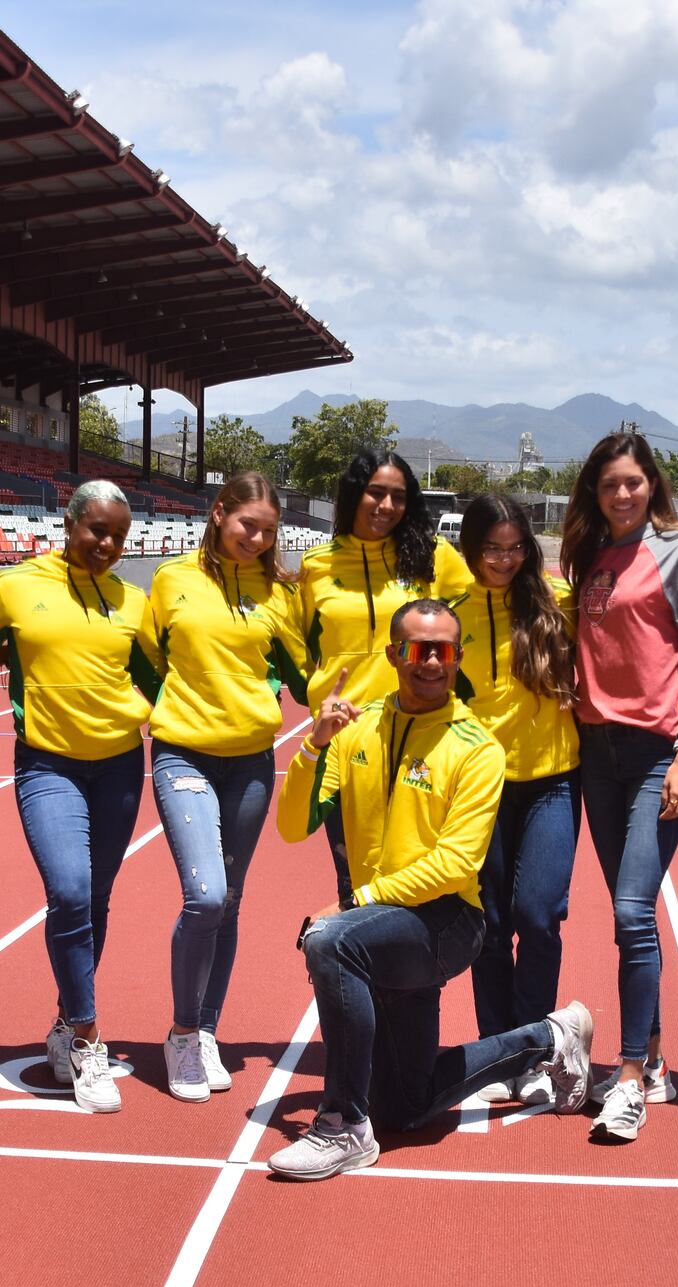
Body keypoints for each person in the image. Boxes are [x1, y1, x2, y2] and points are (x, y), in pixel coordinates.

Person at [266, 599, 594, 1181]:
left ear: (459, 656)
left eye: (444, 650)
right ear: (394, 654)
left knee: (329, 943)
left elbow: (452, 865)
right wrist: (313, 746)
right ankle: (549, 1037)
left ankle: (341, 1124)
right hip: (380, 928)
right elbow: (293, 827)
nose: (431, 662)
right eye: (418, 650)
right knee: (406, 1106)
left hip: (446, 923)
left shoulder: (476, 746)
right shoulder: (355, 728)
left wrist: (352, 906)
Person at [0, 478, 159, 1114]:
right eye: (97, 530)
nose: (107, 544)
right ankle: (89, 1038)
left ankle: (65, 1021)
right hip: (46, 764)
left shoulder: (132, 601)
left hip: (117, 765)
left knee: (98, 898)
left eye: (118, 535)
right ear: (69, 524)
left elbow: (167, 672)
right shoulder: (13, 586)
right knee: (69, 891)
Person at [560, 430, 678, 1142]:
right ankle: (653, 1058)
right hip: (596, 752)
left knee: (630, 911)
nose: (623, 494)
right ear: (595, 491)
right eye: (610, 484)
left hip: (656, 753)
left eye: (634, 482)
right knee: (631, 914)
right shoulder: (591, 559)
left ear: (652, 485)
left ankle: (626, 1078)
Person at [135, 470, 306, 1101]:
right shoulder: (173, 580)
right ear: (217, 514)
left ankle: (206, 1030)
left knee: (230, 898)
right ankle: (182, 1031)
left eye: (267, 531)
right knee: (205, 894)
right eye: (246, 525)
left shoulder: (278, 593)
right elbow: (149, 659)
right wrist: (178, 713)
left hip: (253, 762)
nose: (257, 539)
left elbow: (304, 670)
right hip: (183, 756)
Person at [295, 449, 478, 906]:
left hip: (425, 740)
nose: (386, 506)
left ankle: (411, 976)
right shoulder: (318, 565)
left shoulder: (433, 558)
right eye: (376, 493)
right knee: (352, 880)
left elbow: (488, 601)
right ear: (354, 494)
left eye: (398, 496)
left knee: (418, 880)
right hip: (349, 743)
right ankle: (347, 972)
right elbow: (296, 645)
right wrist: (318, 698)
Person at [450, 494, 581, 1045]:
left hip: (552, 782)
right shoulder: (452, 617)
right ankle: (496, 1045)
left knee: (537, 915)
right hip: (483, 790)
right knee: (492, 924)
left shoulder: (560, 604)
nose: (504, 560)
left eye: (515, 549)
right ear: (472, 551)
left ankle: (531, 1042)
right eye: (492, 550)